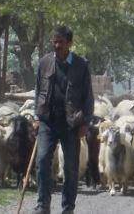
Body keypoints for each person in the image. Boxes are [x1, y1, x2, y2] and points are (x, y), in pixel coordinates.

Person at [34, 26, 93, 214]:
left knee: (70, 167)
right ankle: (43, 205)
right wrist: (37, 115)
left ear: (70, 43)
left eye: (61, 42)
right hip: (48, 121)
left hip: (71, 123)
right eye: (55, 41)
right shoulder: (44, 62)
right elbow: (38, 91)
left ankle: (68, 208)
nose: (57, 45)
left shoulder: (81, 65)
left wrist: (85, 122)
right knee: (42, 160)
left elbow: (87, 96)